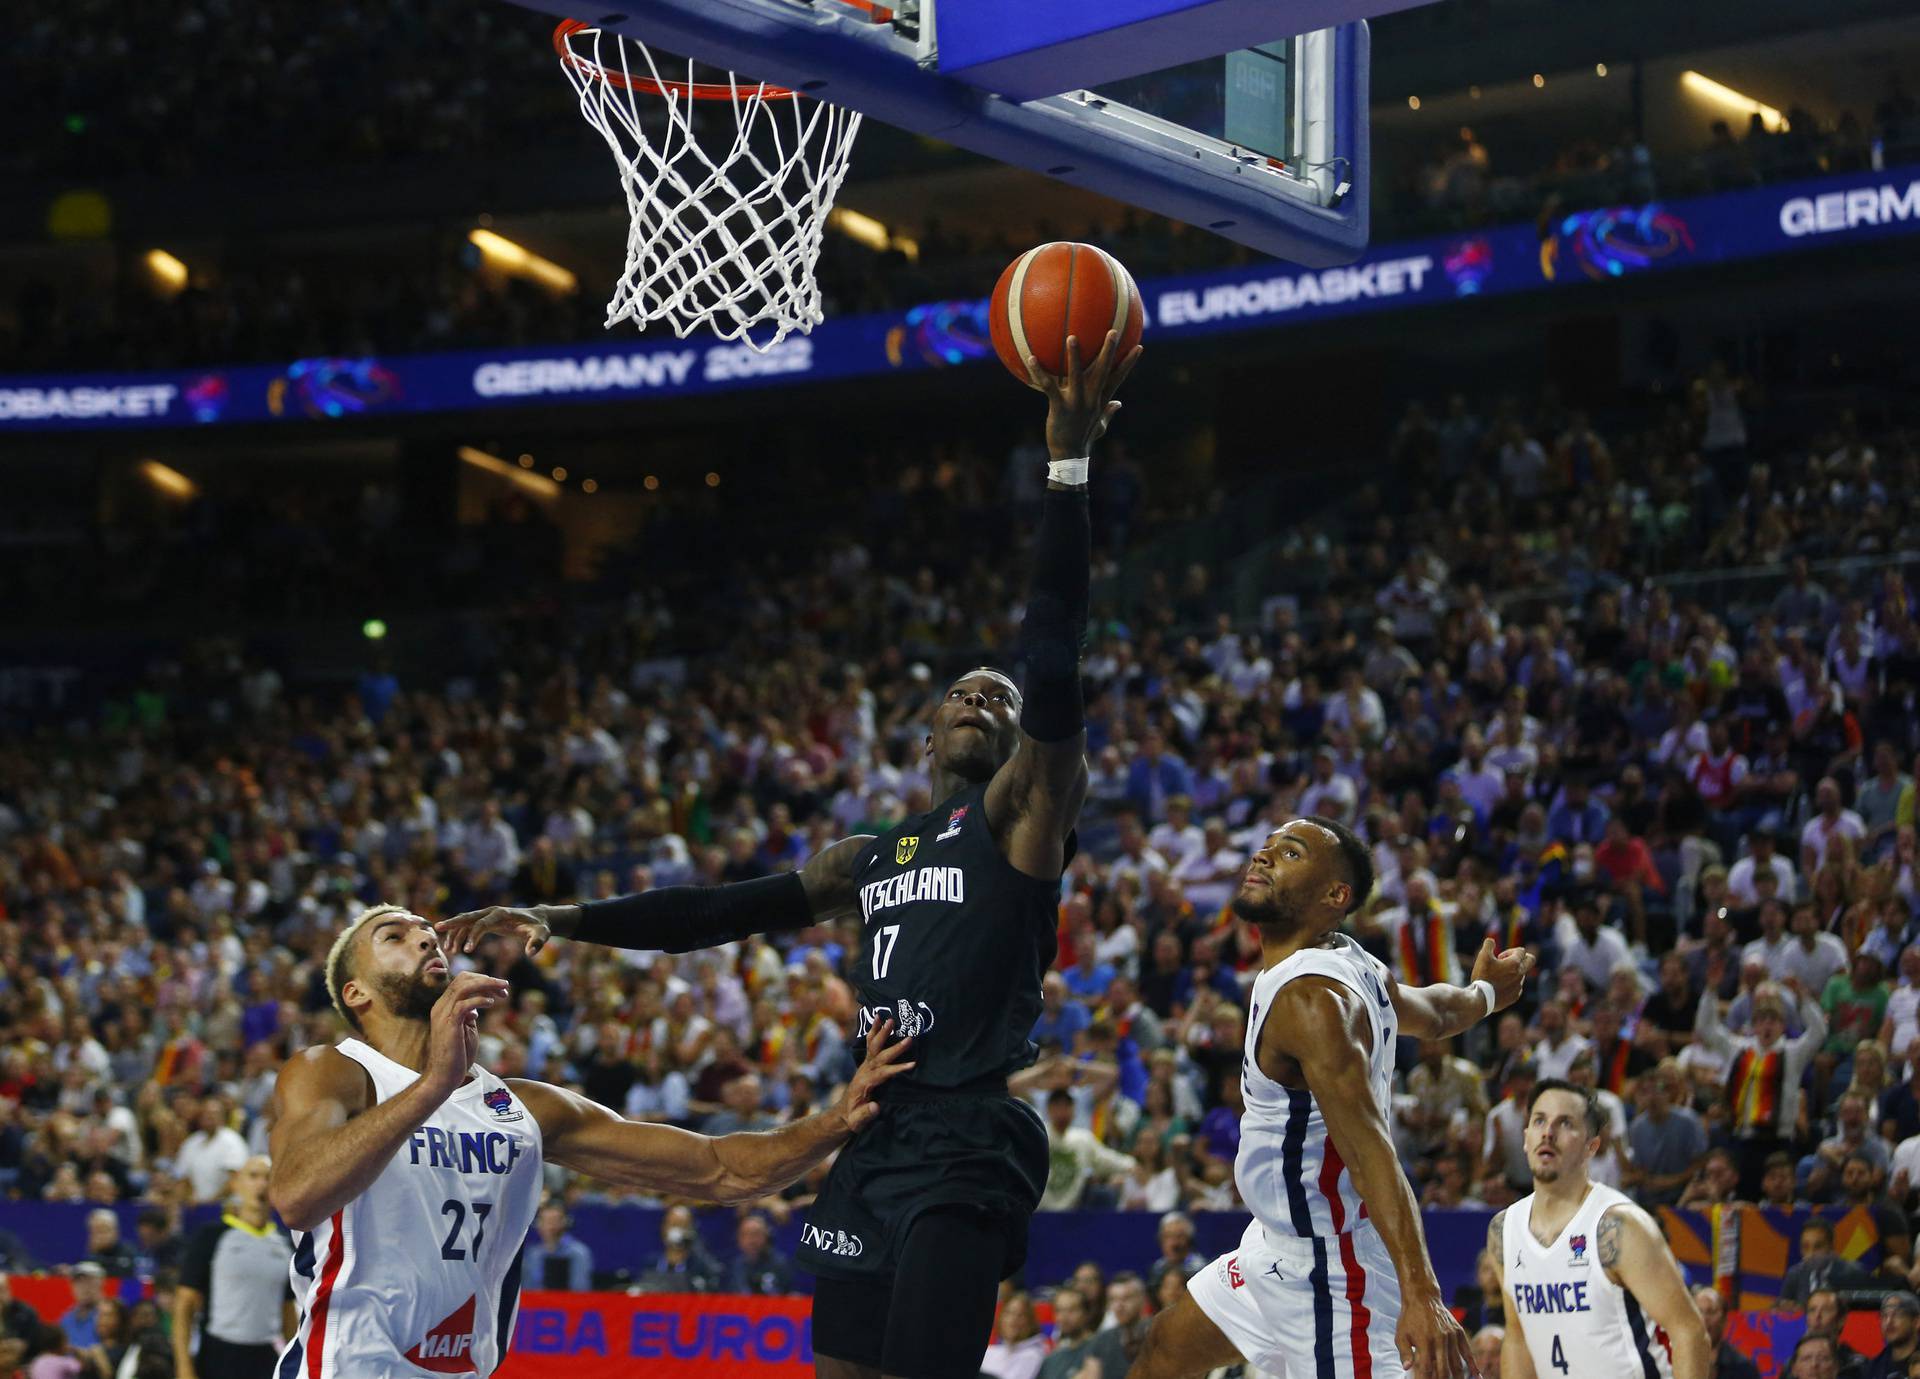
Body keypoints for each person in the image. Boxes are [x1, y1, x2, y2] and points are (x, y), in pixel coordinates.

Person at [440, 329, 1139, 1379]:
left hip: (967, 1135)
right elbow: (720, 910)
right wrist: (566, 919)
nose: (976, 697)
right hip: (872, 1130)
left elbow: (1050, 645)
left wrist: (1068, 467)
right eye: (959, 691)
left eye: (994, 697)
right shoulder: (867, 856)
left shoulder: (1026, 816)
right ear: (928, 730)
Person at [267, 904, 906, 1378]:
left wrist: (834, 1121)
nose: (425, 939)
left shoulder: (521, 1106)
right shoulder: (334, 1069)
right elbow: (297, 1196)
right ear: (356, 993)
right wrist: (434, 1083)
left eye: (429, 933)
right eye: (395, 937)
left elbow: (718, 1171)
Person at [1126, 814, 1534, 1379]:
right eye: (1266, 847)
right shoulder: (1351, 959)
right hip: (1274, 1246)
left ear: (1335, 894)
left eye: (1290, 854)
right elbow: (1439, 1012)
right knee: (1165, 1349)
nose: (1263, 858)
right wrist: (1486, 992)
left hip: (1334, 1271)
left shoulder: (1313, 1001)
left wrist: (1423, 1295)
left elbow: (1372, 1153)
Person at [1491, 1078, 1712, 1379]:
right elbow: (1517, 1338)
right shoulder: (1504, 1230)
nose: (1549, 1132)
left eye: (1565, 1123)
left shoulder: (1621, 1226)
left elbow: (1689, 1330)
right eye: (1539, 1120)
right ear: (1526, 1137)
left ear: (1591, 1147)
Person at [174, 1154, 292, 1379]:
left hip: (267, 1358)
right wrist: (183, 1366)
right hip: (218, 1356)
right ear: (235, 1184)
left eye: (268, 1178)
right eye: (253, 1176)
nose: (261, 1184)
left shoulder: (285, 1244)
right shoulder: (211, 1237)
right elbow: (184, 1304)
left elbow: (288, 1311)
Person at [521, 1199, 593, 1292]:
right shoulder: (533, 1254)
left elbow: (580, 1291)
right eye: (545, 1221)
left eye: (554, 1220)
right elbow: (527, 1290)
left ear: (565, 1222)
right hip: (536, 1305)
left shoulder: (579, 1252)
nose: (549, 1226)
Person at [1690, 1287, 1759, 1379]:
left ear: (1724, 1319)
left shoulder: (1743, 1368)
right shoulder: (1672, 1361)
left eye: (1711, 1312)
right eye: (1698, 1312)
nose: (1704, 1319)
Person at [980, 1292, 1048, 1379]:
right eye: (1009, 1313)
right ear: (1000, 1318)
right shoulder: (990, 1351)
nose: (1013, 1319)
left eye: (1020, 1315)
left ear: (1031, 1322)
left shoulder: (1034, 1355)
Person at [726, 1213, 794, 1296]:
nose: (751, 1241)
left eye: (756, 1234)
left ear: (767, 1236)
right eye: (745, 1235)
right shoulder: (736, 1265)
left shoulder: (779, 1263)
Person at [1863, 1292, 1920, 1379]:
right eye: (1884, 1315)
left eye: (1897, 1314)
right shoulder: (1873, 1368)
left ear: (1916, 1322)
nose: (1888, 1322)